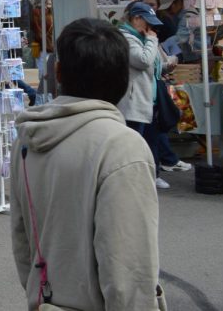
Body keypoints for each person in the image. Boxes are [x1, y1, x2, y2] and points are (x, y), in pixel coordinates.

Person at [11, 18, 160, 310]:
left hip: (45, 300)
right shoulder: (121, 146)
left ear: (58, 72)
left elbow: (22, 240)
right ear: (125, 78)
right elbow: (127, 271)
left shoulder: (27, 137)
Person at [115, 1, 168, 190]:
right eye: (147, 21)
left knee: (150, 141)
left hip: (148, 99)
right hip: (133, 102)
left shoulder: (140, 37)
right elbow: (143, 60)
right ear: (136, 18)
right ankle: (131, 182)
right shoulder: (126, 37)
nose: (150, 27)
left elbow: (156, 62)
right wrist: (152, 40)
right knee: (134, 144)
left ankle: (150, 176)